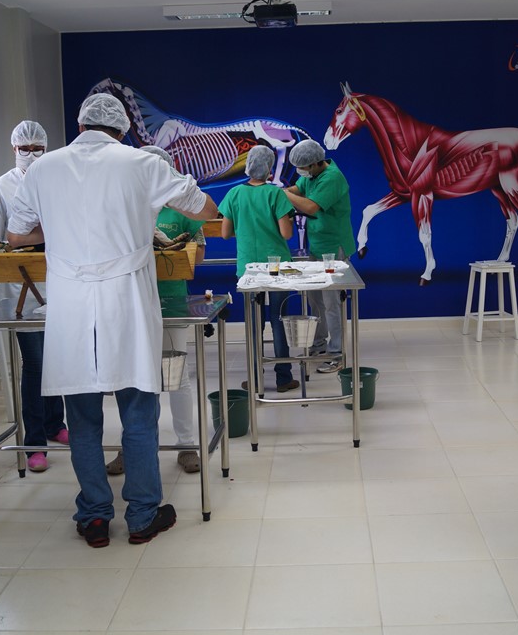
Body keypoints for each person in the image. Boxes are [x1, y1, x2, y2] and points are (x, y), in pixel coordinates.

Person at [6, 93, 218, 548]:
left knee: (83, 418)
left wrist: (60, 226)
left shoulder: (42, 168)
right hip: (126, 301)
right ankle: (142, 516)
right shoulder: (141, 163)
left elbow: (15, 235)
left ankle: (95, 517)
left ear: (81, 125)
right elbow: (205, 210)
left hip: (70, 303)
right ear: (122, 130)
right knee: (138, 411)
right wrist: (142, 211)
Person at [105, 144, 206, 476]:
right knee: (130, 377)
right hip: (130, 299)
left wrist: (168, 253)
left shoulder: (182, 208)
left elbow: (197, 256)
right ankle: (130, 447)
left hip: (171, 300)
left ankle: (186, 444)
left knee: (177, 375)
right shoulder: (124, 206)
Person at [0, 120, 68, 474]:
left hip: (61, 282)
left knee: (58, 358)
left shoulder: (59, 179)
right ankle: (34, 441)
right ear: (13, 148)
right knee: (35, 363)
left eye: (37, 148)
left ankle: (55, 423)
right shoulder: (0, 187)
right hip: (22, 290)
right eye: (24, 148)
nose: (31, 154)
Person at [219, 145, 299, 393]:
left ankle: (254, 378)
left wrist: (245, 227)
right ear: (269, 168)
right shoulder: (275, 194)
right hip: (276, 267)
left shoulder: (234, 193)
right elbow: (286, 233)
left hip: (248, 269)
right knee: (278, 320)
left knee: (254, 324)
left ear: (248, 166)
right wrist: (287, 221)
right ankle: (283, 378)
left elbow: (225, 233)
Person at [283, 139, 355, 373]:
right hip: (317, 245)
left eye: (302, 167)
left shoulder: (332, 177)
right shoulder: (312, 175)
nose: (300, 172)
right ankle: (320, 343)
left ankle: (337, 353)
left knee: (332, 302)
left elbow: (311, 207)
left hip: (334, 247)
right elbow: (297, 190)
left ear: (314, 163)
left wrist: (283, 194)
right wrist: (277, 191)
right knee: (315, 298)